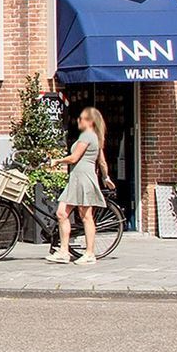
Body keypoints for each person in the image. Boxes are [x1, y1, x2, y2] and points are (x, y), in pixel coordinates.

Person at [49, 107, 111, 265]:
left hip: (84, 179)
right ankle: (64, 252)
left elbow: (74, 158)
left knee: (86, 216)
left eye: (82, 118)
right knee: (62, 213)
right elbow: (102, 161)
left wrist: (57, 161)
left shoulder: (87, 135)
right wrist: (105, 177)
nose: (79, 120)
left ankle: (89, 253)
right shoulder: (95, 137)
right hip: (76, 178)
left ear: (89, 121)